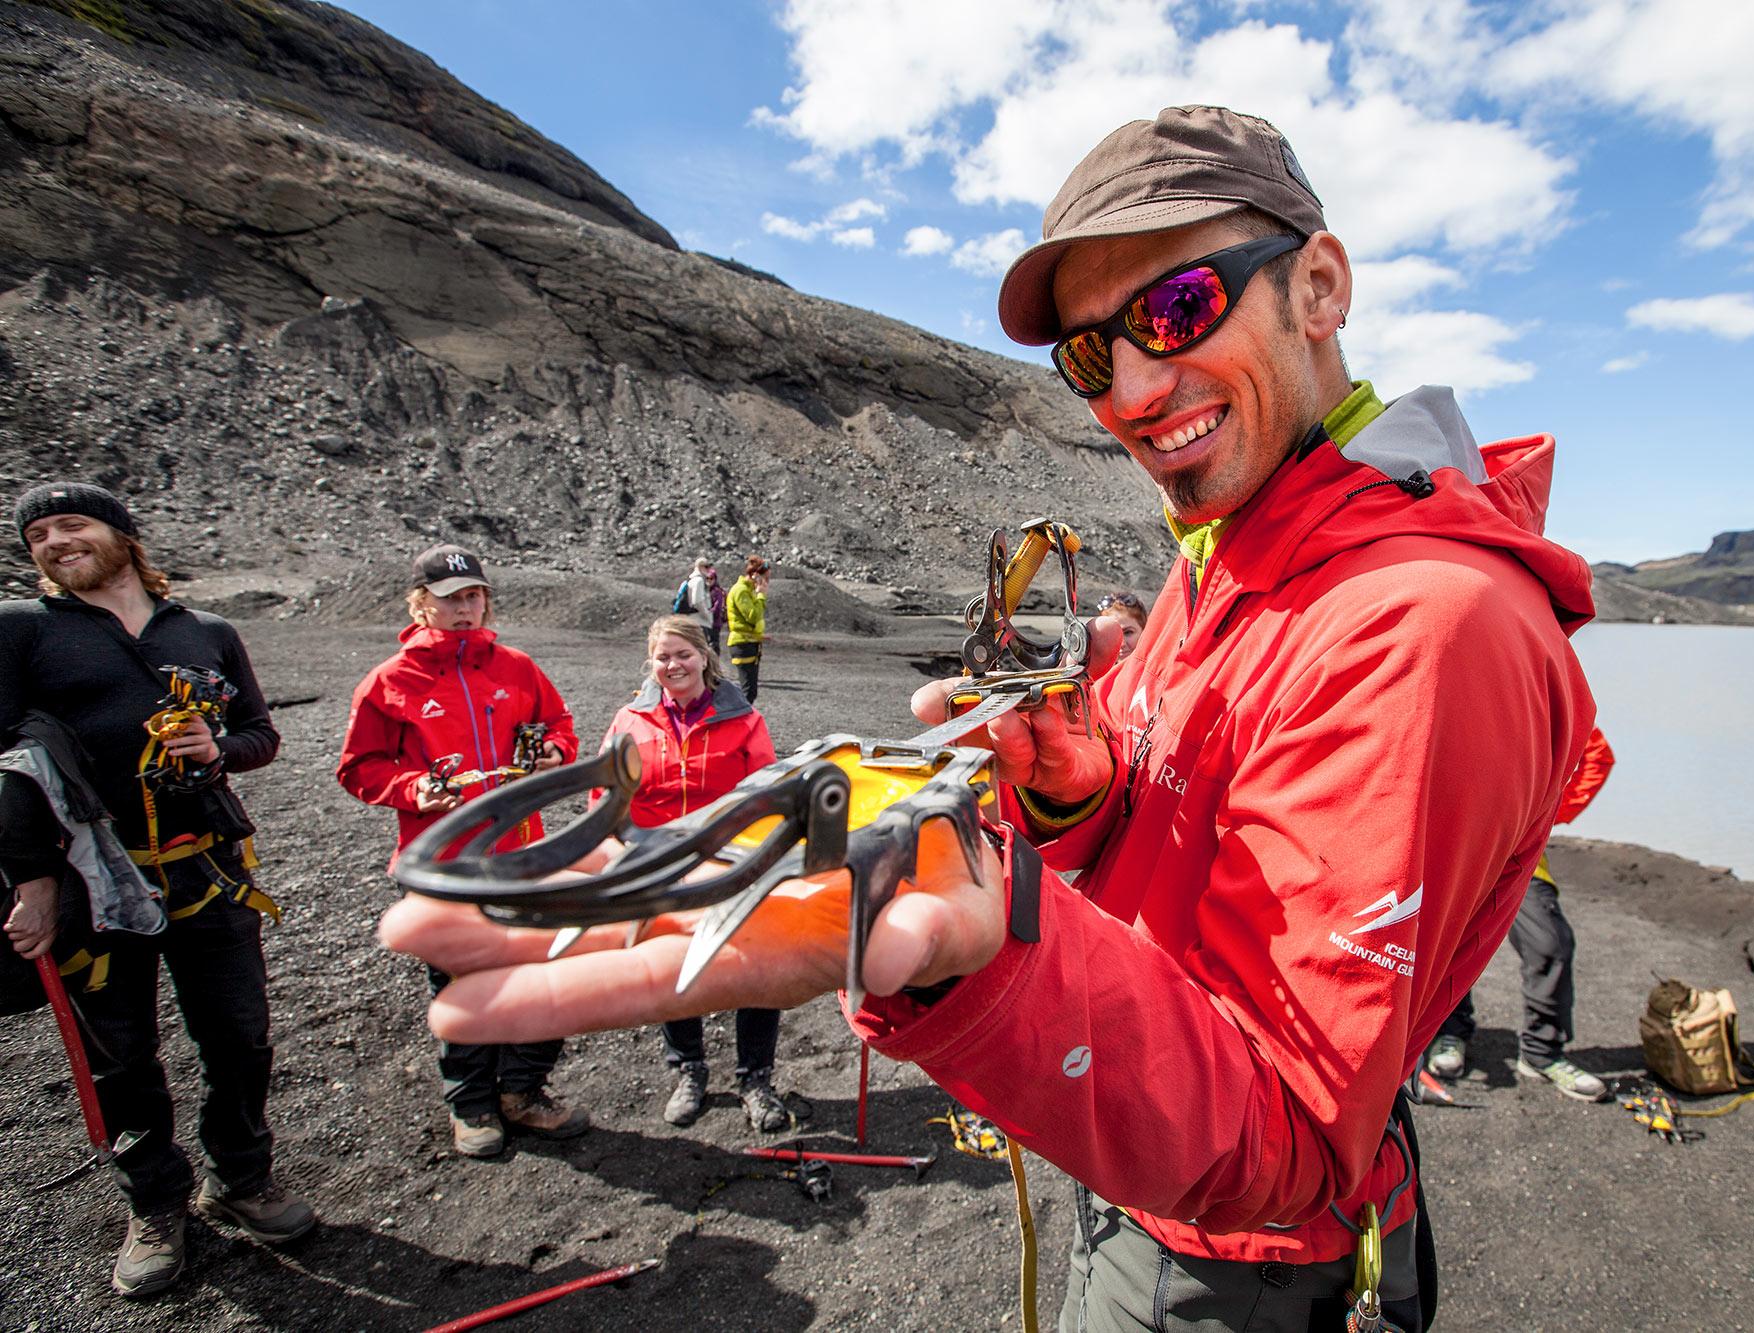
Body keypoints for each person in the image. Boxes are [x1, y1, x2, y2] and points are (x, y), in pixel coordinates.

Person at [382, 106, 1596, 1330]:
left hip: (1242, 1263)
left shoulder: (1417, 626)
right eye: (1086, 355)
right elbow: (1194, 860)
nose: (1128, 388)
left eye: (1175, 309)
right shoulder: (1228, 559)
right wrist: (1082, 788)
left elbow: (1283, 1136)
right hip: (1138, 1152)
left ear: (1318, 286)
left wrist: (990, 939)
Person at [1, 481, 315, 1299]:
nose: (53, 541)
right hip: (93, 882)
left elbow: (261, 734)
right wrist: (31, 881)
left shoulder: (204, 632)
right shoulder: (23, 632)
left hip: (207, 870)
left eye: (72, 524)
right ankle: (155, 1201)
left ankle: (243, 1178)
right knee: (121, 1055)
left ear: (123, 536)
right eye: (37, 533)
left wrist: (218, 750)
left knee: (240, 1036)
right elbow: (5, 766)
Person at [336, 543, 589, 1158]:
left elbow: (560, 725)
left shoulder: (517, 667)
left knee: (542, 973)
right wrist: (414, 788)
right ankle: (472, 1106)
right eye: (451, 599)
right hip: (442, 863)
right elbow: (358, 767)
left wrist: (557, 751)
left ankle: (523, 1093)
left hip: (521, 853)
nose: (466, 609)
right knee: (461, 983)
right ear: (420, 605)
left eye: (475, 596)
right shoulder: (390, 682)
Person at [596, 614, 798, 1131]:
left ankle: (756, 1079)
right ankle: (689, 1070)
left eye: (683, 654)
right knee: (674, 971)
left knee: (753, 973)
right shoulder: (629, 721)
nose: (673, 665)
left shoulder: (744, 719)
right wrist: (623, 854)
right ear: (651, 662)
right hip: (661, 867)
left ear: (705, 656)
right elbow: (606, 796)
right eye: (663, 657)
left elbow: (767, 798)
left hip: (733, 867)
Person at [1427, 727, 1616, 1100]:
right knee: (1447, 944)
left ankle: (1542, 1054)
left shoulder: (1536, 684)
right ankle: (1450, 1033)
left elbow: (1595, 753)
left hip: (1520, 852)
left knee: (1551, 945)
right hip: (1453, 847)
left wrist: (1550, 812)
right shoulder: (1451, 682)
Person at [726, 555, 769, 704]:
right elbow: (753, 616)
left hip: (750, 642)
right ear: (756, 576)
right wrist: (761, 595)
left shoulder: (749, 591)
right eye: (766, 579)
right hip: (742, 644)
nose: (767, 583)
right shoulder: (741, 591)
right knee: (747, 692)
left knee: (751, 691)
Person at [672, 556, 721, 653]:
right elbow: (697, 601)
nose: (709, 570)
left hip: (691, 620)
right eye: (706, 567)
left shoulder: (689, 580)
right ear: (700, 567)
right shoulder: (698, 581)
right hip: (699, 621)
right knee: (701, 650)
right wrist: (707, 616)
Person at [1097, 592, 1148, 660]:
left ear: (1144, 630)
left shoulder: (1158, 668)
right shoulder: (1093, 669)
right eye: (1112, 635)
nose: (1122, 644)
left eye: (1128, 632)